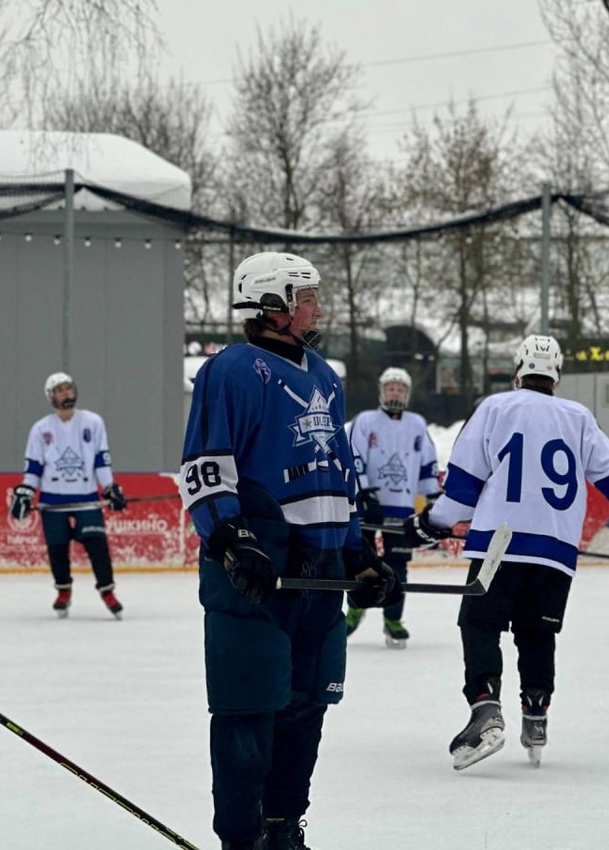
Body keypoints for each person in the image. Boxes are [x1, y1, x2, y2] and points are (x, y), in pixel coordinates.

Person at [182, 251, 399, 850]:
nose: (318, 308)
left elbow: (339, 474)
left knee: (307, 709)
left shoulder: (325, 376)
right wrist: (231, 540)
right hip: (257, 575)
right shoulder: (230, 371)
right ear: (271, 304)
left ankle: (283, 827)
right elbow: (205, 467)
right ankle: (242, 836)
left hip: (321, 575)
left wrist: (357, 553)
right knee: (247, 711)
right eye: (307, 297)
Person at [404, 334, 609, 770]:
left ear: (517, 370)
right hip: (556, 550)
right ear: (557, 375)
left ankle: (485, 709)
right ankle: (536, 712)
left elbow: (463, 486)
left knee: (478, 623)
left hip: (500, 544)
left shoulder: (496, 407)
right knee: (537, 632)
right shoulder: (579, 417)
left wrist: (429, 524)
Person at [10, 373, 128, 619]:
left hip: (86, 497)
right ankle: (63, 590)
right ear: (51, 396)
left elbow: (101, 461)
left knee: (97, 545)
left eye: (68, 388)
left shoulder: (93, 422)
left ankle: (107, 591)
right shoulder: (41, 429)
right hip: (52, 500)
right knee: (57, 549)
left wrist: (110, 488)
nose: (66, 393)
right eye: (59, 390)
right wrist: (25, 493)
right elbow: (33, 468)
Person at [346, 366, 441, 648]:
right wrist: (364, 492)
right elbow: (354, 458)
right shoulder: (365, 421)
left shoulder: (417, 424)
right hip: (368, 507)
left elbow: (427, 464)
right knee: (361, 562)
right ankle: (354, 610)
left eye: (400, 388)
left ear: (407, 393)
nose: (395, 392)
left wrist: (433, 498)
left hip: (401, 508)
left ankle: (393, 619)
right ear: (381, 391)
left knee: (398, 566)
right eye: (390, 388)